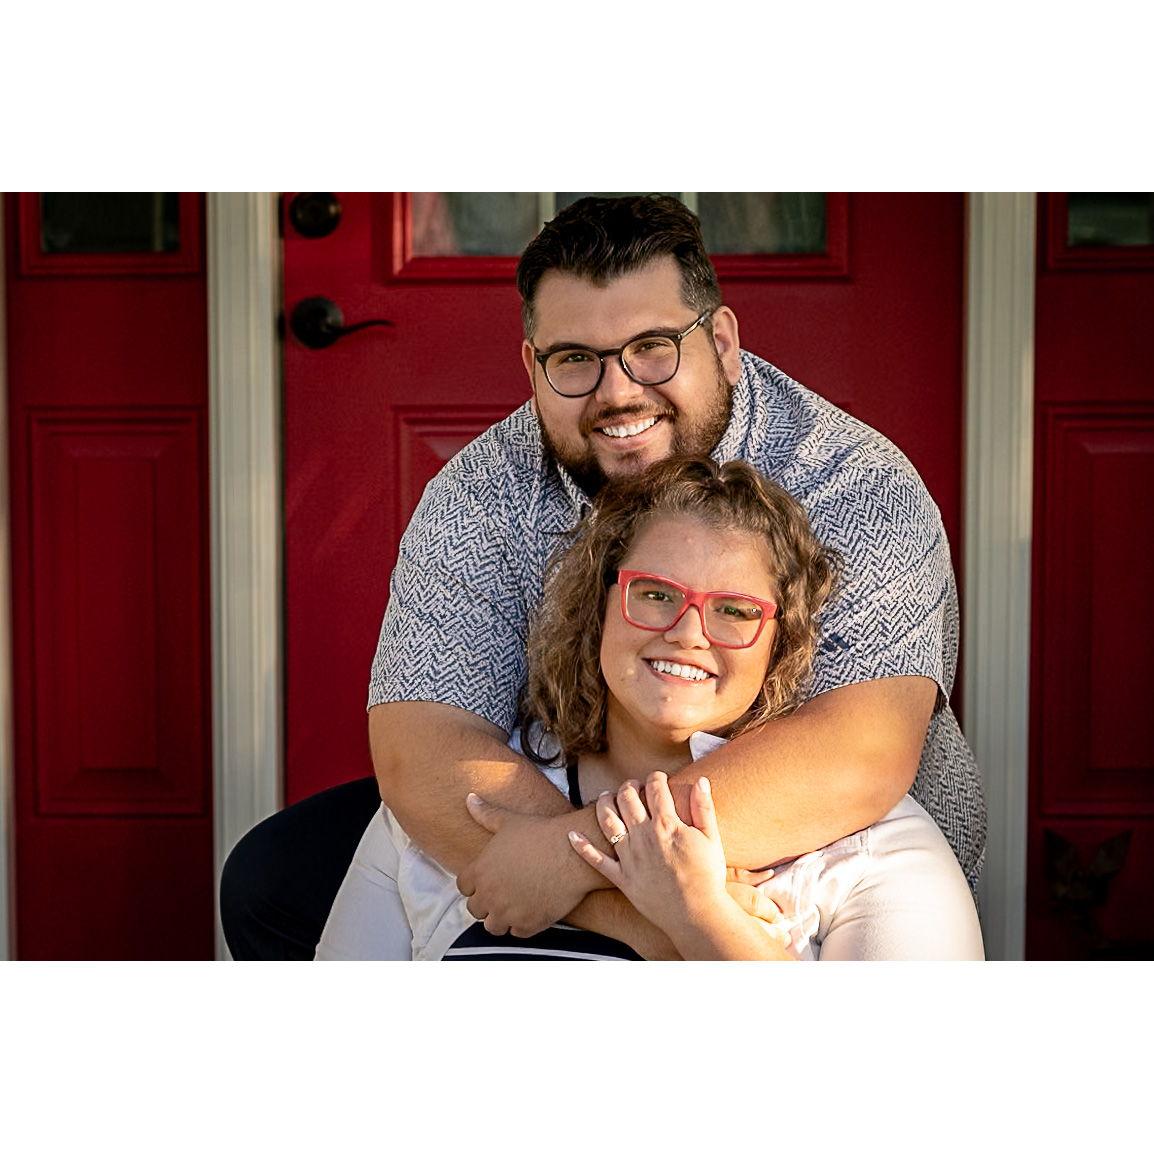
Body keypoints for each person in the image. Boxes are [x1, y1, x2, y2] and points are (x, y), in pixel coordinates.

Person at [220, 194, 986, 961]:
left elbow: (857, 755)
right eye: (575, 359)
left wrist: (565, 857)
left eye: (652, 347)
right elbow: (420, 746)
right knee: (274, 879)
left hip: (814, 828)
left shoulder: (854, 483)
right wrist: (635, 912)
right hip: (568, 789)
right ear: (533, 366)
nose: (618, 392)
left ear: (722, 342)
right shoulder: (479, 492)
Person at [315, 456, 983, 960]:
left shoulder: (870, 846)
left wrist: (696, 914)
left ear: (779, 646)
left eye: (734, 611)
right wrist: (629, 909)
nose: (689, 633)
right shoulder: (465, 806)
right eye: (657, 594)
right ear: (599, 606)